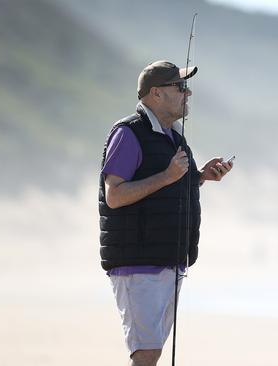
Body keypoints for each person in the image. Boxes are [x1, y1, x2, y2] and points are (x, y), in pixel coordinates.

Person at [98, 60, 233, 366]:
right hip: (137, 262)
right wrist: (168, 177)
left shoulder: (174, 136)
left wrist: (199, 177)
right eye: (180, 87)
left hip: (168, 260)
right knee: (145, 353)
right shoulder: (128, 133)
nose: (188, 94)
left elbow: (166, 188)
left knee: (152, 351)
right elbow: (115, 195)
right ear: (156, 93)